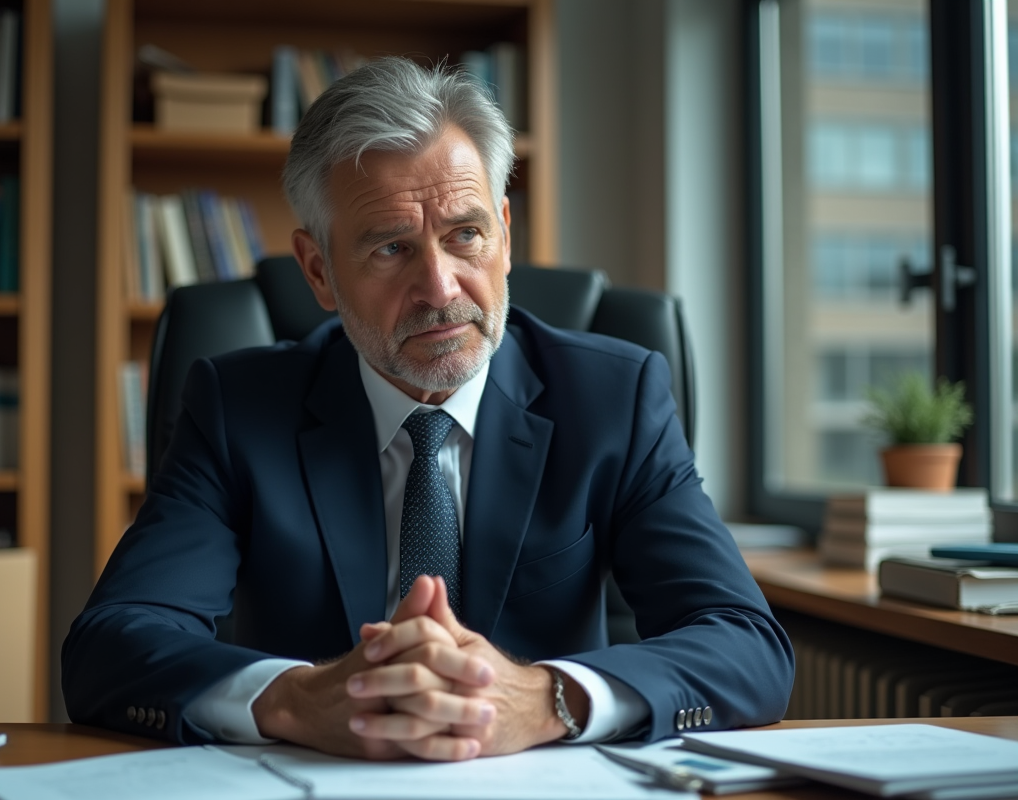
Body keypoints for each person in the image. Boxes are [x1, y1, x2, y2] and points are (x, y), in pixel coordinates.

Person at [62, 57, 794, 761]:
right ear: (319, 270)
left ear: (504, 235)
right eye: (390, 248)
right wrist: (296, 698)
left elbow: (744, 644)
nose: (440, 288)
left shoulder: (614, 399)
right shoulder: (239, 409)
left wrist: (544, 699)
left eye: (465, 234)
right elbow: (110, 646)